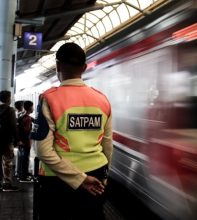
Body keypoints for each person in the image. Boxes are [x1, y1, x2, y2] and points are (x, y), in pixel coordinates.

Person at [31, 42, 113, 220]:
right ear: (84, 68)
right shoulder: (102, 99)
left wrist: (80, 179)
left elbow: (43, 151)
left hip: (58, 182)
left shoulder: (49, 98)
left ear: (58, 66)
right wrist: (104, 177)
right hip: (96, 175)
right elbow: (107, 145)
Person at [0, 90, 20, 192]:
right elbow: (13, 127)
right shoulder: (10, 110)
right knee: (7, 162)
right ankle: (7, 184)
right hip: (7, 140)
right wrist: (17, 140)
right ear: (8, 98)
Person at [17, 100, 34, 182]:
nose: (33, 108)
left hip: (21, 141)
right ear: (30, 107)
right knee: (25, 159)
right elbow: (27, 131)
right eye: (32, 106)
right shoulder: (27, 119)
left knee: (21, 158)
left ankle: (20, 175)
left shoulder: (22, 116)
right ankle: (24, 177)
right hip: (26, 141)